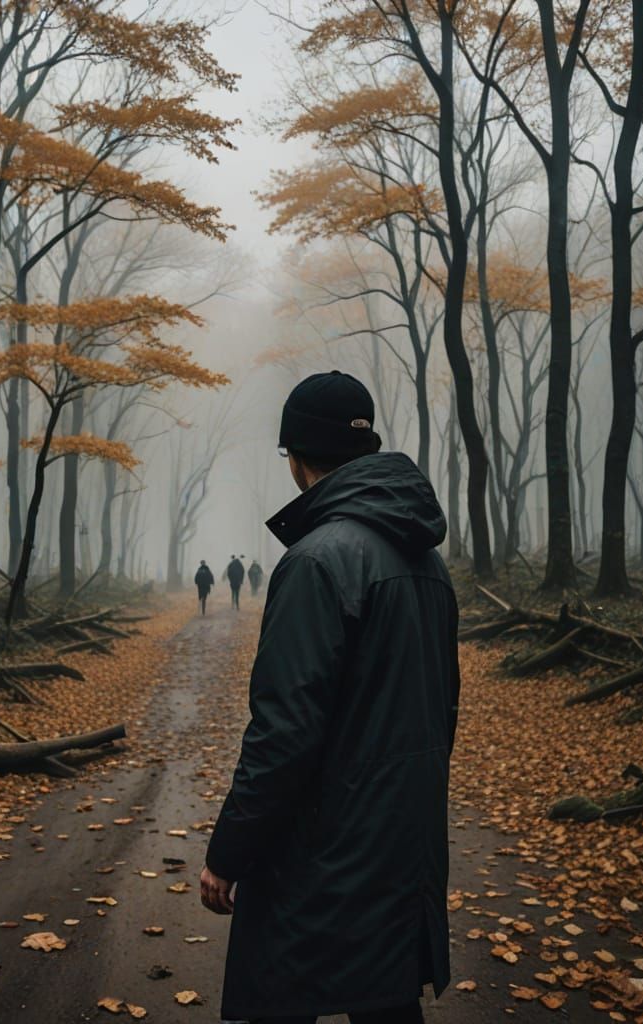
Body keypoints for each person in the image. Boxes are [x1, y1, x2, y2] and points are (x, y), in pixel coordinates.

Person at [199, 370, 460, 1024]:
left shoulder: (318, 560)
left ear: (297, 458)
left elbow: (284, 732)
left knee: (282, 1000)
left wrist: (229, 852)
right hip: (403, 842)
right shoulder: (425, 561)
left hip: (317, 855)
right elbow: (441, 707)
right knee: (385, 1001)